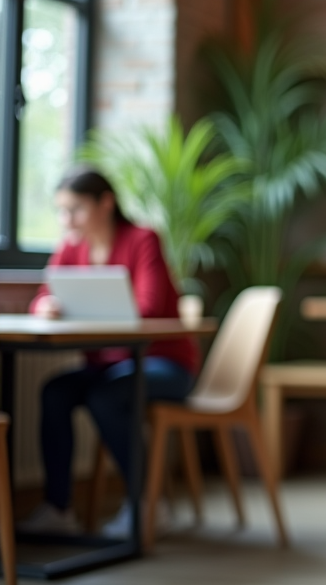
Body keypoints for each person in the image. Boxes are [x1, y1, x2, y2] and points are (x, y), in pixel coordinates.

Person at [20, 167, 199, 538]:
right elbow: (42, 297)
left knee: (107, 397)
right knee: (55, 392)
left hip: (164, 364)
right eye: (62, 211)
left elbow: (147, 308)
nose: (67, 220)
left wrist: (80, 308)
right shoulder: (71, 246)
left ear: (106, 203)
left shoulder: (142, 239)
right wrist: (46, 307)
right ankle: (59, 508)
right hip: (107, 365)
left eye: (76, 209)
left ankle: (149, 505)